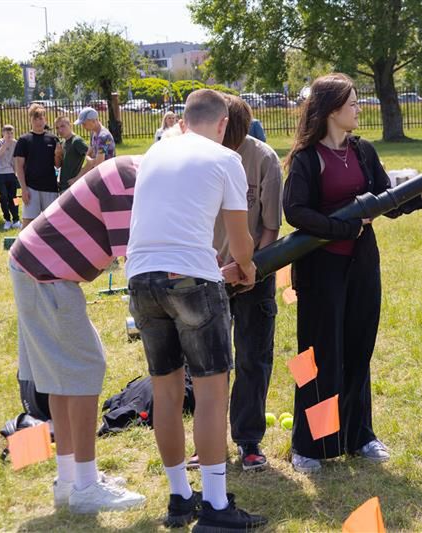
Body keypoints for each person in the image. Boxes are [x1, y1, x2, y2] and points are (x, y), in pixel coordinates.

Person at [282, 73, 422, 473]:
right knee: (317, 358)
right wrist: (344, 227)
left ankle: (358, 436)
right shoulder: (307, 158)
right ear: (332, 110)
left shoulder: (363, 151)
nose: (359, 109)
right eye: (353, 103)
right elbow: (295, 212)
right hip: (320, 271)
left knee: (358, 350)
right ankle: (311, 445)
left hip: (362, 266)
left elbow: (388, 202)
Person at [126, 89, 267, 531]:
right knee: (211, 393)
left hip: (141, 278)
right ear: (223, 124)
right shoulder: (226, 159)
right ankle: (217, 506)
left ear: (184, 121)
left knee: (166, 392)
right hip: (191, 279)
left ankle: (179, 497)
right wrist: (247, 268)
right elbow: (240, 242)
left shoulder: (154, 152)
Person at [9, 156, 146, 513]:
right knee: (85, 369)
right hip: (45, 273)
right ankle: (85, 486)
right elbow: (134, 262)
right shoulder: (128, 181)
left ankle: (69, 479)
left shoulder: (130, 170)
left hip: (37, 267)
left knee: (62, 377)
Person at [212, 95, 282, 471]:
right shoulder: (202, 158)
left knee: (253, 357)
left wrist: (253, 267)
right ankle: (208, 442)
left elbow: (270, 226)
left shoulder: (264, 159)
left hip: (255, 275)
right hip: (209, 275)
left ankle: (248, 439)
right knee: (209, 363)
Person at [14, 103, 63, 229]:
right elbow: (19, 167)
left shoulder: (53, 139)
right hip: (31, 188)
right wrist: (24, 189)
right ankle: (22, 243)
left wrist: (58, 155)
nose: (38, 122)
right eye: (35, 119)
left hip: (50, 187)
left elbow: (58, 165)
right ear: (30, 120)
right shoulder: (23, 140)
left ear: (45, 119)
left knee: (52, 223)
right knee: (28, 224)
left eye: (41, 118)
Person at [0, 125, 21, 230]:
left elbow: (16, 159)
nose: (10, 135)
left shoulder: (15, 143)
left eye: (11, 133)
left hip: (11, 173)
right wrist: (6, 144)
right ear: (3, 133)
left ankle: (16, 219)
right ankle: (7, 219)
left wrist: (15, 173)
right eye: (7, 133)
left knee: (14, 198)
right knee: (4, 197)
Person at [75, 107, 115, 176]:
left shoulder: (103, 137)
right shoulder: (93, 133)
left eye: (84, 124)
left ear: (93, 121)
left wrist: (91, 160)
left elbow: (99, 163)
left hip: (106, 174)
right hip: (98, 172)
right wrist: (91, 160)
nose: (83, 127)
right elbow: (88, 155)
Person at [54, 116, 89, 191]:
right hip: (63, 186)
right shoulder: (62, 143)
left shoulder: (76, 141)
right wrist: (57, 155)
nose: (60, 130)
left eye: (62, 126)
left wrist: (77, 178)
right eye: (57, 128)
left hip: (74, 187)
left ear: (70, 125)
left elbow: (92, 160)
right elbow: (58, 166)